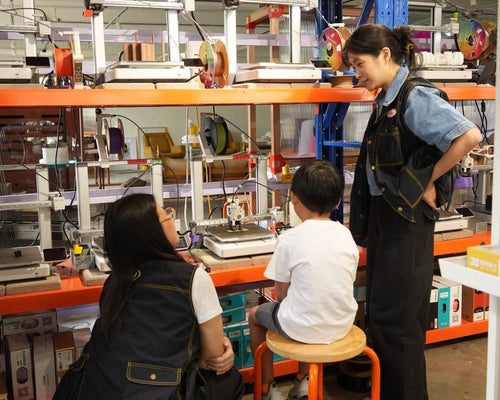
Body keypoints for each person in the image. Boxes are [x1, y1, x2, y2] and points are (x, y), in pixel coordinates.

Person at [342, 23, 482, 400]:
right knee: (386, 323)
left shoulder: (412, 97)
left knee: (399, 328)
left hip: (405, 226)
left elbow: (469, 135)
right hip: (388, 220)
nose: (357, 73)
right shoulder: (388, 98)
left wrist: (426, 179)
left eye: (359, 64)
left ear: (385, 55)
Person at [54, 193, 244, 400]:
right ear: (152, 233)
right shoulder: (193, 278)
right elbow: (212, 357)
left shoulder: (114, 282)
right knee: (228, 379)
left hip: (96, 388)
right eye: (167, 215)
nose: (172, 219)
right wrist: (222, 347)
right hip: (155, 391)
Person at [248, 160, 360, 400]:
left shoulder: (290, 239)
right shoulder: (346, 234)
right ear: (338, 201)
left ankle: (267, 389)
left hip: (302, 326)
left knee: (255, 316)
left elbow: (280, 296)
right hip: (342, 324)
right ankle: (302, 384)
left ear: (294, 197)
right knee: (308, 307)